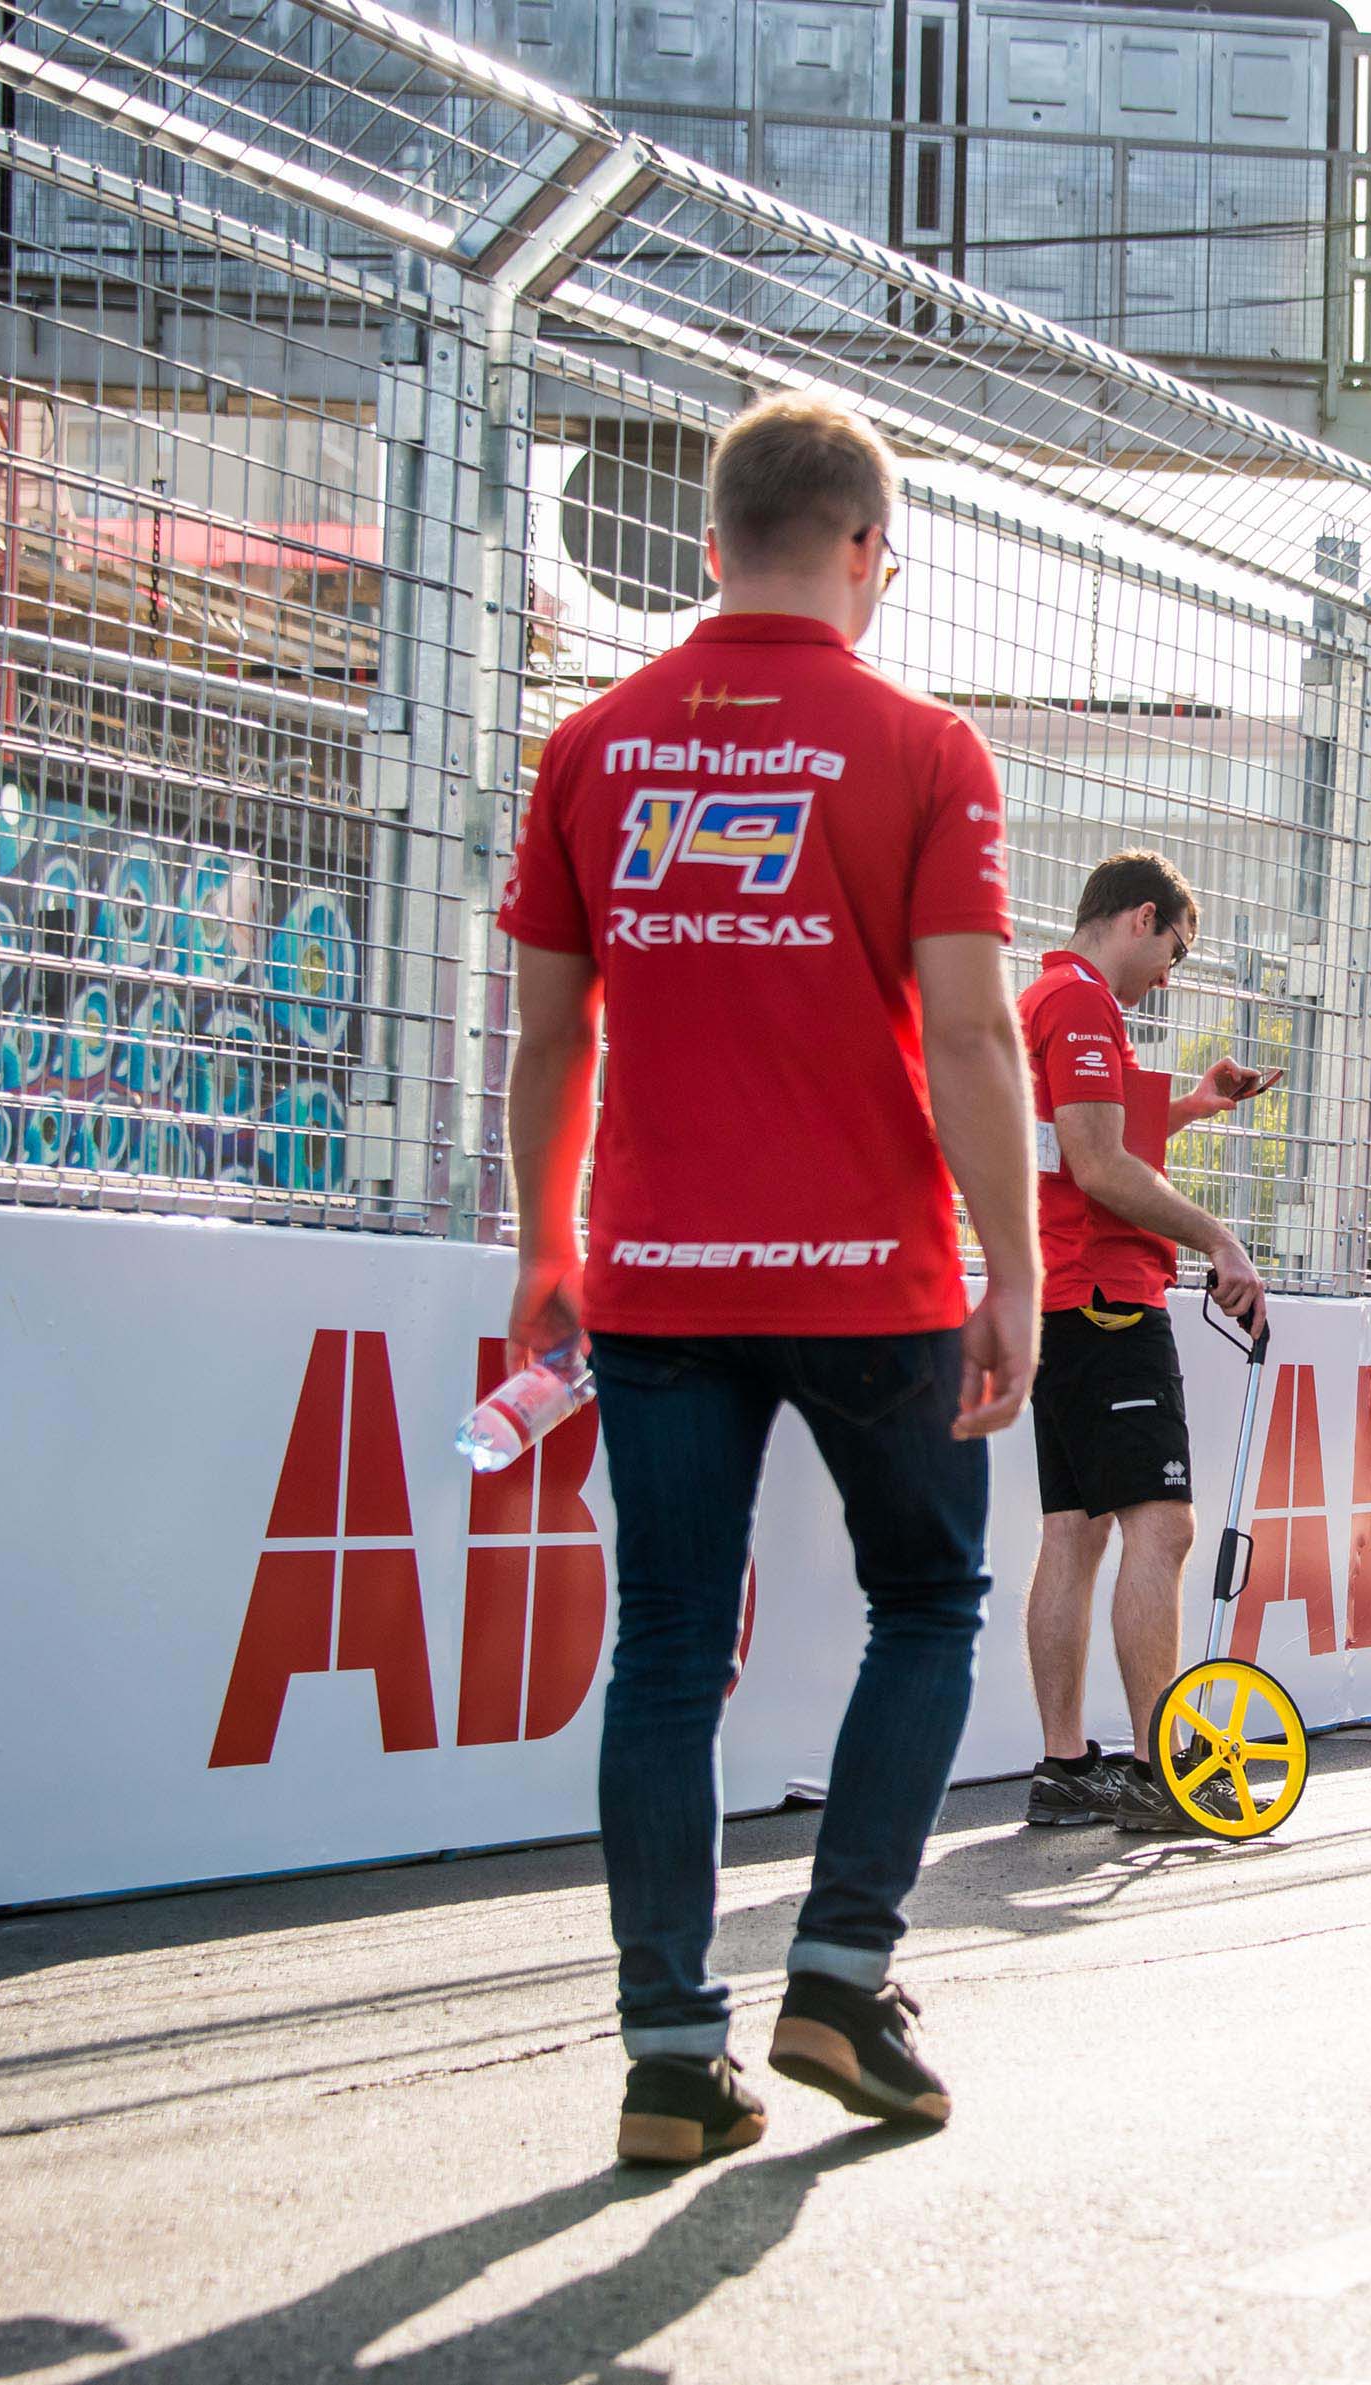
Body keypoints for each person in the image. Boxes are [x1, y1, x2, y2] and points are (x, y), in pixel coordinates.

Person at [500, 393, 1039, 2166]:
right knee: (928, 1605)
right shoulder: (922, 748)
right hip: (866, 1276)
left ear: (711, 544)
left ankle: (668, 2055)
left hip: (655, 1276)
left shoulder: (590, 746)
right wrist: (1012, 1270)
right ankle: (840, 1971)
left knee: (664, 1650)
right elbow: (968, 1031)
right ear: (870, 552)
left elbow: (547, 1037)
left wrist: (543, 1245)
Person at [1016, 850, 1279, 1833]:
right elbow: (1094, 1163)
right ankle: (1157, 1766)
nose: (1172, 973)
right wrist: (1217, 1237)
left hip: (1064, 1301)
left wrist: (1190, 1105)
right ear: (1140, 917)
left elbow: (1078, 1134)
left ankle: (1065, 1767)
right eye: (1176, 947)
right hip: (1106, 1300)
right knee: (1160, 1529)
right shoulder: (1080, 1003)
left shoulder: (1050, 998)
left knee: (1074, 1534)